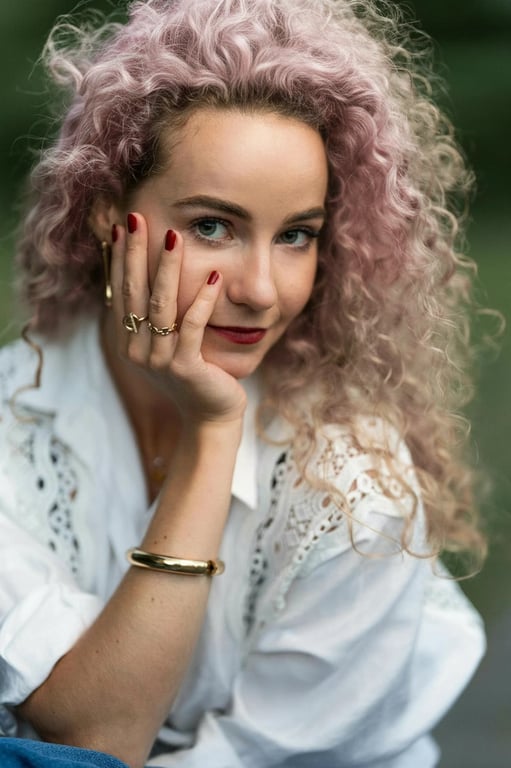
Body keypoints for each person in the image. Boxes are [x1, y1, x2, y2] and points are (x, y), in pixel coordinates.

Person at [0, 0, 487, 766]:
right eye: (212, 226)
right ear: (105, 215)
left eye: (295, 235)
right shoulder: (12, 422)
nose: (261, 290)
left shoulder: (353, 489)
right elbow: (94, 740)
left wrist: (211, 432)